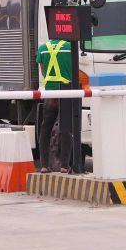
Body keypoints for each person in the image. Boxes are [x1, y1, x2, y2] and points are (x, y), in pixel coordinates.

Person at [35, 37, 73, 173]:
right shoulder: (70, 47)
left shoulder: (42, 49)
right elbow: (75, 68)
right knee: (66, 128)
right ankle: (64, 166)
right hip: (66, 91)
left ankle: (44, 165)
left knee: (45, 128)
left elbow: (43, 71)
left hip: (50, 92)